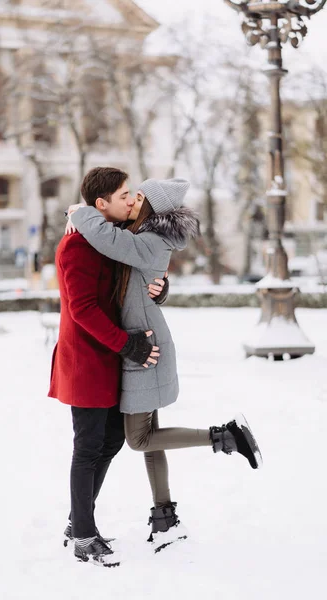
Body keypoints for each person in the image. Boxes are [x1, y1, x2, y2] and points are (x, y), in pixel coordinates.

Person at [68, 177, 263, 550]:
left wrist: (80, 212)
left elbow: (113, 242)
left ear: (151, 208)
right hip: (140, 344)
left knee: (138, 438)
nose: (131, 200)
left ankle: (224, 436)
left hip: (145, 349)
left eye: (137, 196)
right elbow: (134, 268)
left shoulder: (149, 241)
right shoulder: (142, 237)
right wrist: (160, 286)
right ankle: (165, 518)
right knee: (150, 434)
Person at [48, 167, 168, 567]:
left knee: (112, 440)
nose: (131, 200)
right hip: (86, 361)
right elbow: (82, 308)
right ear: (101, 205)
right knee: (87, 448)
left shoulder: (110, 241)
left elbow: (132, 283)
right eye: (124, 195)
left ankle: (76, 522)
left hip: (110, 359)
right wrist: (127, 345)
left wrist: (160, 287)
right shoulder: (77, 247)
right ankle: (82, 534)